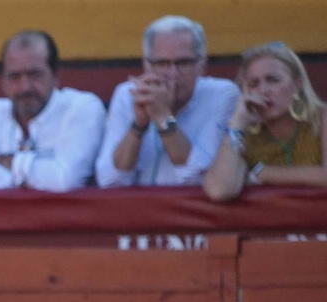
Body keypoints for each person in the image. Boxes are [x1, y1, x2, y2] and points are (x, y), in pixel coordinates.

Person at [0, 30, 106, 192]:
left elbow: (64, 180)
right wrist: (32, 175)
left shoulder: (81, 108)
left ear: (56, 76)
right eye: (14, 77)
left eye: (35, 75)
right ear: (2, 81)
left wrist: (9, 163)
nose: (25, 87)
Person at [95, 15, 238, 187]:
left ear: (202, 65)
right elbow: (109, 179)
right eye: (162, 64)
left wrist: (163, 116)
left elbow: (200, 175)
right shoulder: (127, 94)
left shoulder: (222, 94)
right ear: (147, 65)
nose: (173, 73)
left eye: (183, 63)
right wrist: (138, 126)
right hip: (135, 210)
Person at [204, 41, 326, 200]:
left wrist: (263, 173)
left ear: (297, 84)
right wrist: (237, 122)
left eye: (273, 80)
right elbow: (219, 190)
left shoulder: (322, 117)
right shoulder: (246, 136)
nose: (263, 90)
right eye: (254, 84)